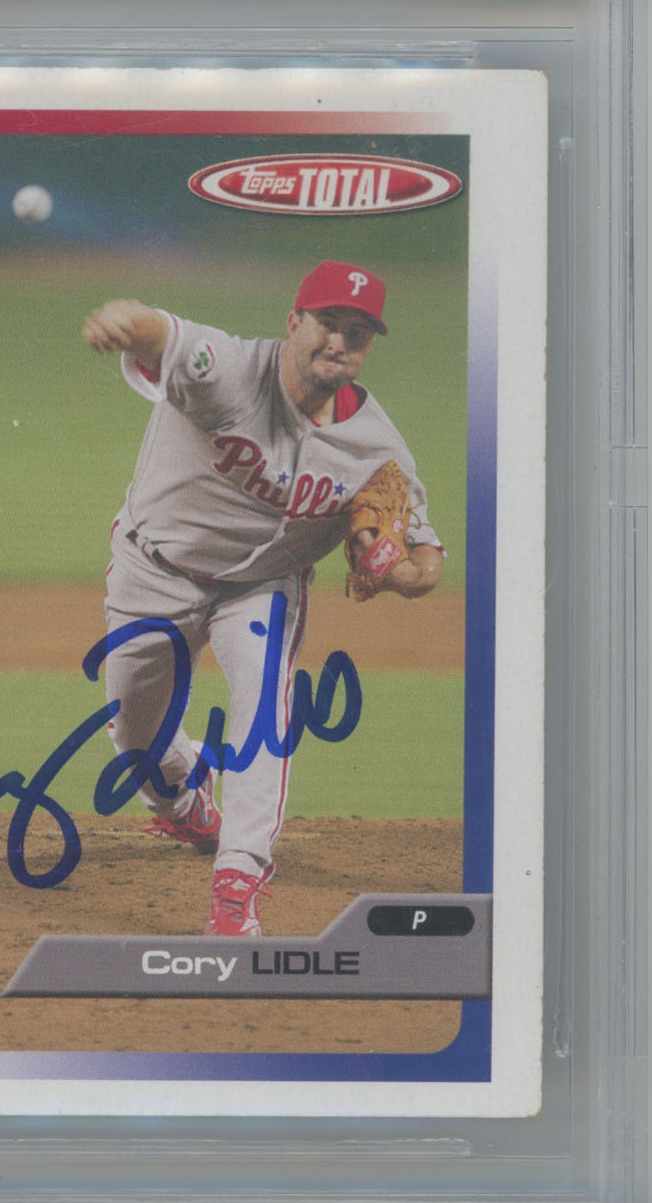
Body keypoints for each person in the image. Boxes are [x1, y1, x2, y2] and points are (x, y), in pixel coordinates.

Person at [82, 260, 443, 936]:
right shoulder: (227, 371)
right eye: (327, 323)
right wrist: (123, 321)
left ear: (369, 347)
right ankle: (183, 798)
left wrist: (396, 570)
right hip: (153, 570)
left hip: (262, 588)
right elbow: (161, 333)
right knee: (135, 740)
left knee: (262, 707)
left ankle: (238, 881)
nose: (338, 342)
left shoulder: (377, 448)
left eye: (357, 333)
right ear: (293, 323)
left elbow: (426, 564)